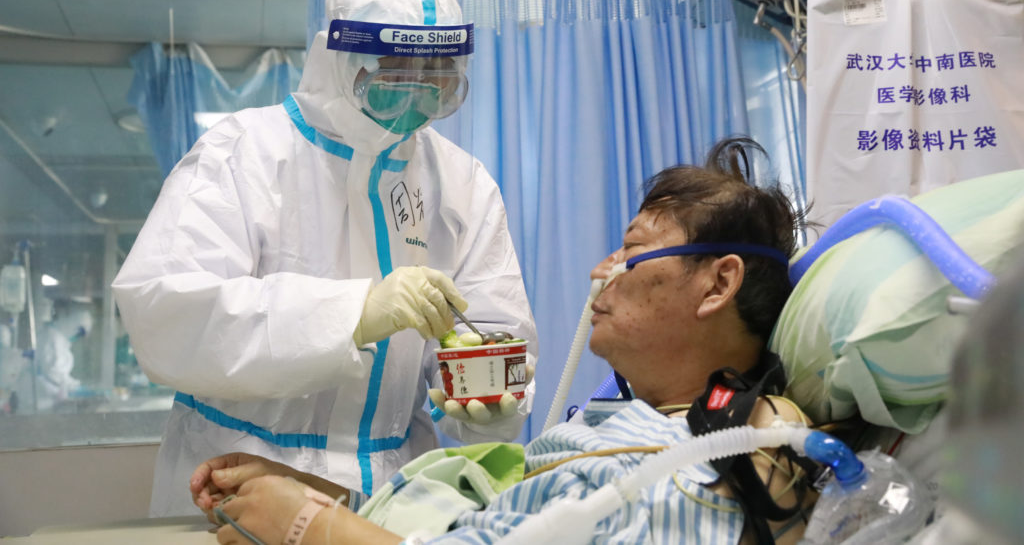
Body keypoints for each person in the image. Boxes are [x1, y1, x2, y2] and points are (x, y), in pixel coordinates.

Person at [193, 137, 816, 545]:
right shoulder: (616, 428)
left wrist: (310, 525)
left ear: (718, 284)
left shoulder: (726, 463)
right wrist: (323, 496)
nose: (603, 270)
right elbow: (477, 521)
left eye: (632, 249)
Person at [111, 0, 538, 517]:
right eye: (395, 77)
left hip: (395, 494)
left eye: (437, 79)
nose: (416, 98)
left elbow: (493, 327)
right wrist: (351, 315)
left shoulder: (462, 183)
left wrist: (490, 401)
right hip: (240, 481)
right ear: (341, 60)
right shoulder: (242, 153)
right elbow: (166, 313)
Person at [14, 299, 93, 413]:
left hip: (42, 401)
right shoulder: (54, 339)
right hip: (38, 401)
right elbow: (53, 373)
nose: (77, 337)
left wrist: (72, 385)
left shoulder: (59, 339)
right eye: (79, 332)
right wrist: (73, 387)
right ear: (73, 323)